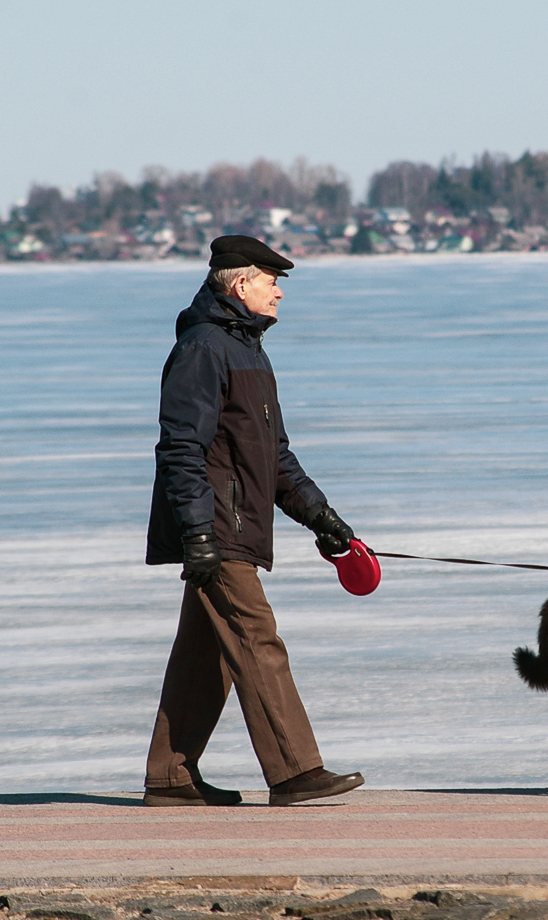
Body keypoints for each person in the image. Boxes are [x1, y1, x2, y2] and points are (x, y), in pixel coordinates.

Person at [142, 235, 364, 806]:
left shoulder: (247, 350)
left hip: (232, 525)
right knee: (257, 637)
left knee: (207, 653)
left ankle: (171, 775)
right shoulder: (203, 348)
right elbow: (180, 449)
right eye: (271, 281)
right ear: (241, 284)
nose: (279, 292)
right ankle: (295, 770)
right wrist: (197, 533)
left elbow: (275, 456)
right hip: (217, 526)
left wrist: (321, 516)